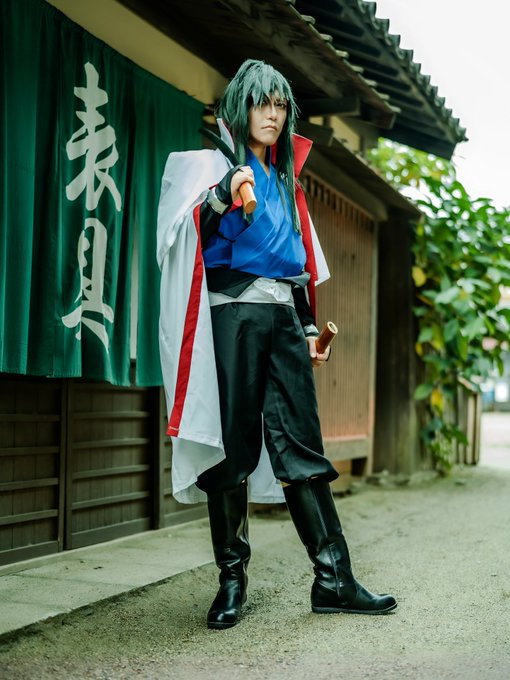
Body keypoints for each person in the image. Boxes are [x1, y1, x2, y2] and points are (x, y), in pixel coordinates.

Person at [157, 59, 396, 629]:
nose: (273, 114)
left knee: (301, 447)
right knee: (231, 447)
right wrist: (223, 193)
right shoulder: (208, 166)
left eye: (281, 105)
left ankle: (334, 578)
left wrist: (308, 329)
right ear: (240, 106)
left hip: (282, 320)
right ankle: (231, 581)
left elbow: (297, 265)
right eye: (262, 103)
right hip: (232, 318)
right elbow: (185, 239)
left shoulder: (288, 182)